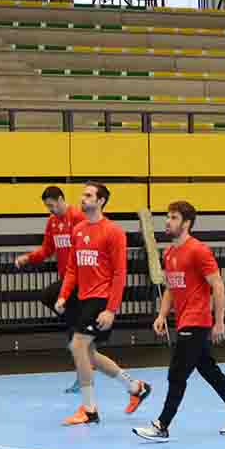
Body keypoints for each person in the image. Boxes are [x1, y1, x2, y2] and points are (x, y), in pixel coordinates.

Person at [133, 201, 225, 441]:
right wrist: (161, 315)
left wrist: (219, 321)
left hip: (197, 320)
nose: (168, 221)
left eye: (174, 217)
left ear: (186, 223)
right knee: (209, 370)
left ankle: (162, 425)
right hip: (183, 320)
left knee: (177, 374)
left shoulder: (199, 251)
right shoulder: (169, 253)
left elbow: (217, 285)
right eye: (167, 216)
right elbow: (170, 288)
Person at [55, 182, 152, 425]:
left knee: (77, 346)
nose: (83, 198)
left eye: (89, 195)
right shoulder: (78, 230)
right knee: (89, 353)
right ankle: (136, 387)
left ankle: (89, 410)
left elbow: (120, 273)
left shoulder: (113, 232)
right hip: (83, 298)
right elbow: (72, 268)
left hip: (101, 297)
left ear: (101, 201)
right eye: (83, 195)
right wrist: (63, 295)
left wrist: (111, 309)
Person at [14, 185, 86, 393]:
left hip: (80, 279)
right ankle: (78, 327)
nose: (51, 210)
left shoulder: (78, 218)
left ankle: (82, 375)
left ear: (62, 200)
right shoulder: (52, 222)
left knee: (72, 330)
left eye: (53, 206)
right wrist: (28, 258)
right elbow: (47, 249)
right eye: (48, 207)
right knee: (49, 299)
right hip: (65, 280)